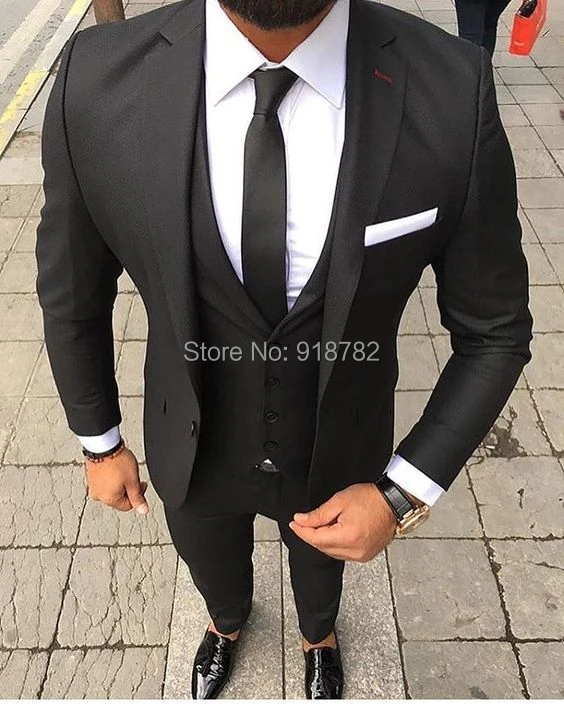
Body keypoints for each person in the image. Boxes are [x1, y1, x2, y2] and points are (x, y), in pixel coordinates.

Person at [36, 0, 532, 698]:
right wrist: (99, 442)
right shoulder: (95, 79)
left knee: (323, 574)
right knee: (211, 566)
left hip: (341, 451)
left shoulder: (452, 86)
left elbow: (495, 331)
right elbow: (72, 291)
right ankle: (226, 624)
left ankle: (318, 635)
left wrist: (402, 495)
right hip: (190, 446)